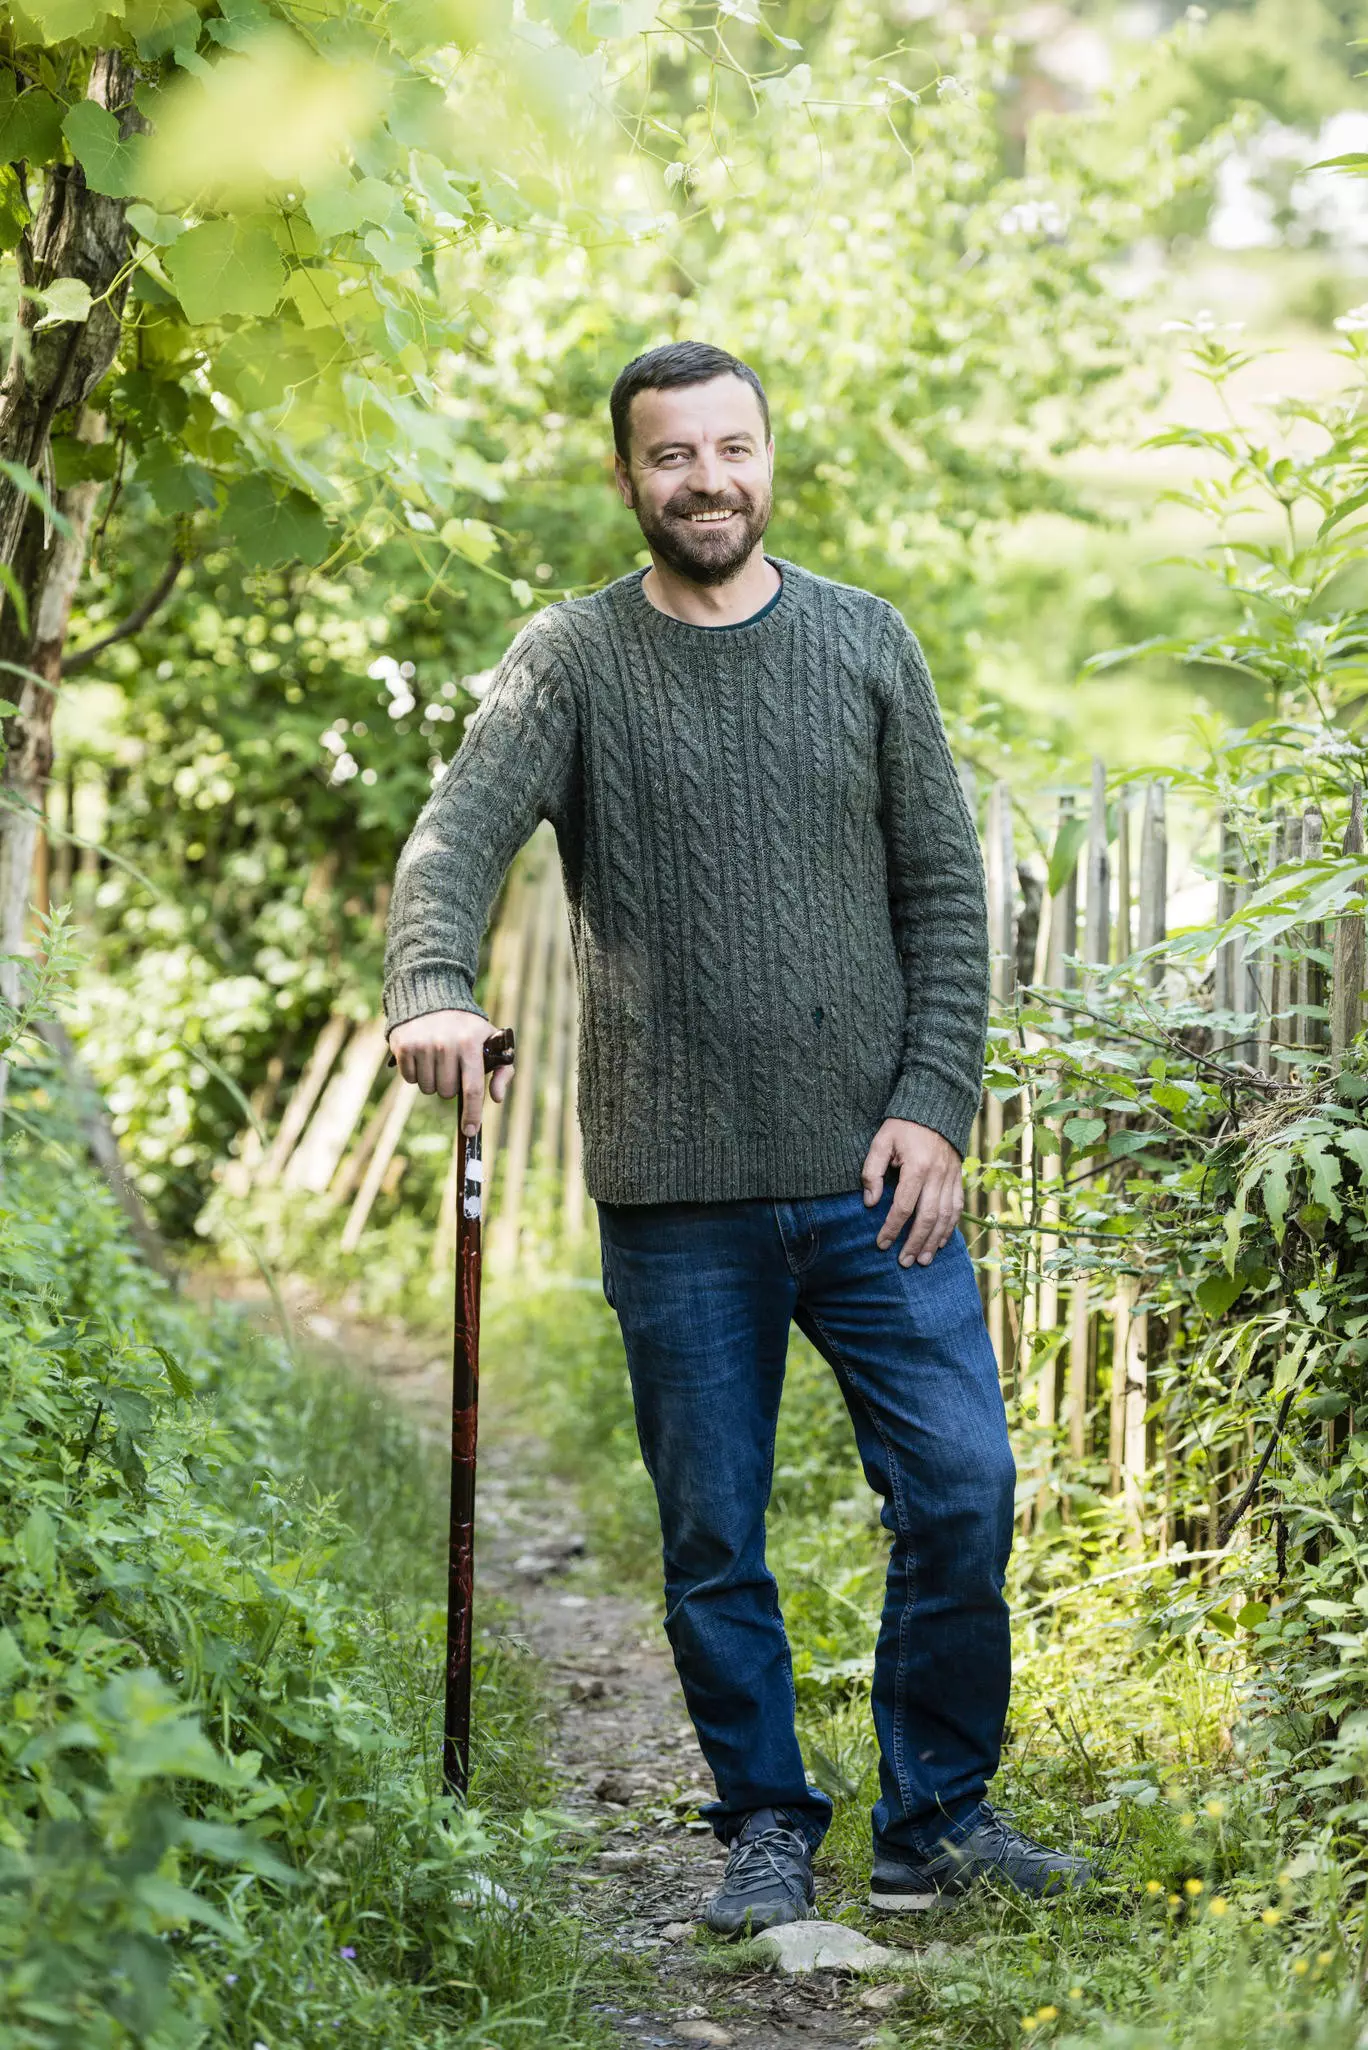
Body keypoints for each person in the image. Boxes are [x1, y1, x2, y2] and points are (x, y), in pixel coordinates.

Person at [383, 340, 1092, 1931]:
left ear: (772, 457)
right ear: (627, 476)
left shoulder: (866, 643)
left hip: (872, 1178)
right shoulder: (570, 659)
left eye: (732, 448)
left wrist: (932, 1106)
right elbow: (454, 843)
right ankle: (764, 1819)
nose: (707, 480)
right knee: (715, 1530)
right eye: (671, 456)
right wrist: (432, 984)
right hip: (675, 1190)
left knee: (965, 1485)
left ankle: (937, 1814)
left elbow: (942, 902)